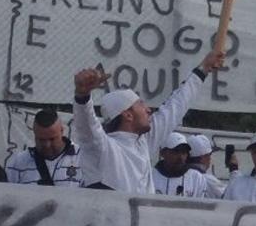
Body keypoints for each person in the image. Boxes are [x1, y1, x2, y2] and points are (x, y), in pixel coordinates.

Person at [71, 49, 225, 193]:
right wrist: (82, 96)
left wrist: (204, 68)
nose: (148, 110)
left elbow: (176, 106)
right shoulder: (102, 147)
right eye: (141, 104)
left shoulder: (143, 142)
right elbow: (87, 125)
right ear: (128, 115)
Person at [3, 108, 82, 187]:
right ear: (34, 132)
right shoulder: (18, 163)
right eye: (41, 140)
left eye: (52, 139)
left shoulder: (82, 158)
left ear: (62, 131)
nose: (47, 145)